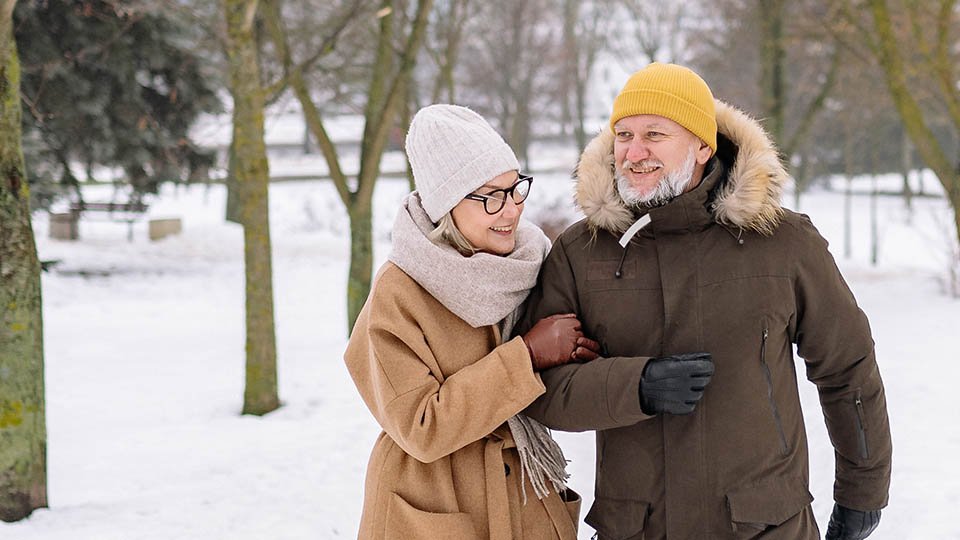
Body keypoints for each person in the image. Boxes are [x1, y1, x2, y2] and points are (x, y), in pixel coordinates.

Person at [516, 63, 892, 540]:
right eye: (624, 135)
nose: (634, 152)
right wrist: (636, 386)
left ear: (702, 146)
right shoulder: (581, 251)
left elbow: (848, 367)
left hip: (764, 525)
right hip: (638, 528)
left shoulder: (783, 242)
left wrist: (863, 492)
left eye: (654, 134)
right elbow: (540, 389)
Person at [344, 104, 600, 540]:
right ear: (446, 204)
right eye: (490, 196)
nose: (511, 211)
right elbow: (421, 426)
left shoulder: (531, 263)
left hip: (522, 492)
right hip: (431, 502)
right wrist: (528, 355)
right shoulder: (398, 293)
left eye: (514, 189)